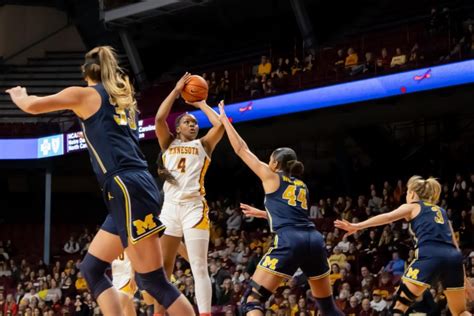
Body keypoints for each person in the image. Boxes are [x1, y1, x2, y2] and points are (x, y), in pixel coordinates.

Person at [6, 46, 194, 316]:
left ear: (85, 72)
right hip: (134, 184)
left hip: (125, 185)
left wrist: (20, 94)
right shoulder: (125, 98)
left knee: (153, 282)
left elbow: (32, 106)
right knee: (92, 268)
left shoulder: (84, 94)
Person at [217, 103, 343, 316]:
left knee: (251, 300)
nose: (267, 163)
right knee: (328, 307)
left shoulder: (271, 175)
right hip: (314, 239)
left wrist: (224, 120)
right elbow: (293, 215)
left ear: (275, 163)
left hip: (290, 241)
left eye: (269, 160)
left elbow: (241, 148)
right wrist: (263, 213)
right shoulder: (301, 184)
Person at [335, 176, 472, 316]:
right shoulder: (441, 212)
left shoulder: (413, 206)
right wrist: (465, 279)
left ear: (412, 193)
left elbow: (387, 217)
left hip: (430, 255)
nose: (406, 195)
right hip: (453, 259)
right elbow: (456, 248)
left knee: (399, 305)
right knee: (460, 312)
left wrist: (357, 226)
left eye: (406, 192)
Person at [154, 73, 225, 316]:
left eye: (195, 123)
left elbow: (219, 125)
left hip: (194, 208)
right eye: (188, 122)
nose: (193, 125)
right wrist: (176, 91)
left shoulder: (203, 145)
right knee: (163, 268)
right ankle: (158, 313)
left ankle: (204, 313)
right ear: (178, 127)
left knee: (198, 265)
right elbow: (159, 117)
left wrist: (201, 103)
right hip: (170, 209)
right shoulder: (168, 143)